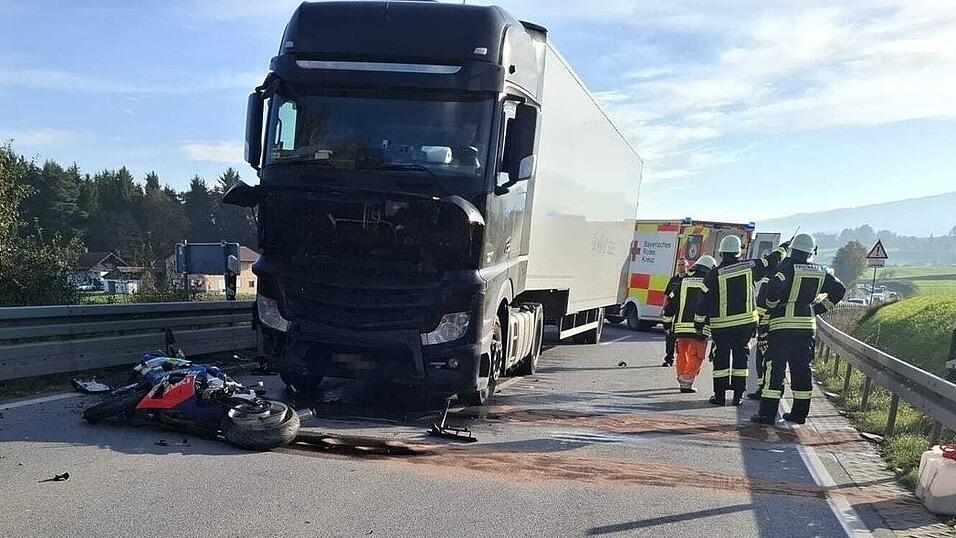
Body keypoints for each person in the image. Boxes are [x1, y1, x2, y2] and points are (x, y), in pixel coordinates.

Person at [752, 234, 846, 425]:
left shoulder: (786, 267)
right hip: (806, 328)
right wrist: (818, 309)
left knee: (774, 368)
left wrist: (772, 305)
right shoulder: (820, 271)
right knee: (801, 370)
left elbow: (774, 288)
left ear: (793, 248)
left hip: (782, 327)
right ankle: (799, 413)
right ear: (811, 252)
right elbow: (839, 290)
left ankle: (767, 414)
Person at [694, 235, 787, 406]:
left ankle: (720, 397)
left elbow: (703, 302)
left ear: (721, 253)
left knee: (721, 360)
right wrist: (784, 248)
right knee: (740, 359)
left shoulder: (713, 275)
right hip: (745, 325)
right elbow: (771, 261)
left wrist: (699, 324)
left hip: (721, 327)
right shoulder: (750, 267)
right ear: (738, 252)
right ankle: (738, 397)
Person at [662, 256, 716, 392]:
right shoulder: (710, 283)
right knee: (697, 355)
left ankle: (682, 377)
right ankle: (687, 381)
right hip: (700, 328)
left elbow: (671, 304)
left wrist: (667, 325)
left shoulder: (684, 281)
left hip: (681, 328)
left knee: (682, 353)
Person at [660, 258, 688, 367]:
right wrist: (663, 308)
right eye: (679, 265)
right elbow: (667, 295)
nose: (680, 267)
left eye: (682, 265)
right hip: (672, 312)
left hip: (684, 313)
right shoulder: (673, 280)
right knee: (669, 337)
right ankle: (669, 359)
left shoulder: (688, 280)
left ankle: (683, 361)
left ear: (687, 266)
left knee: (683, 338)